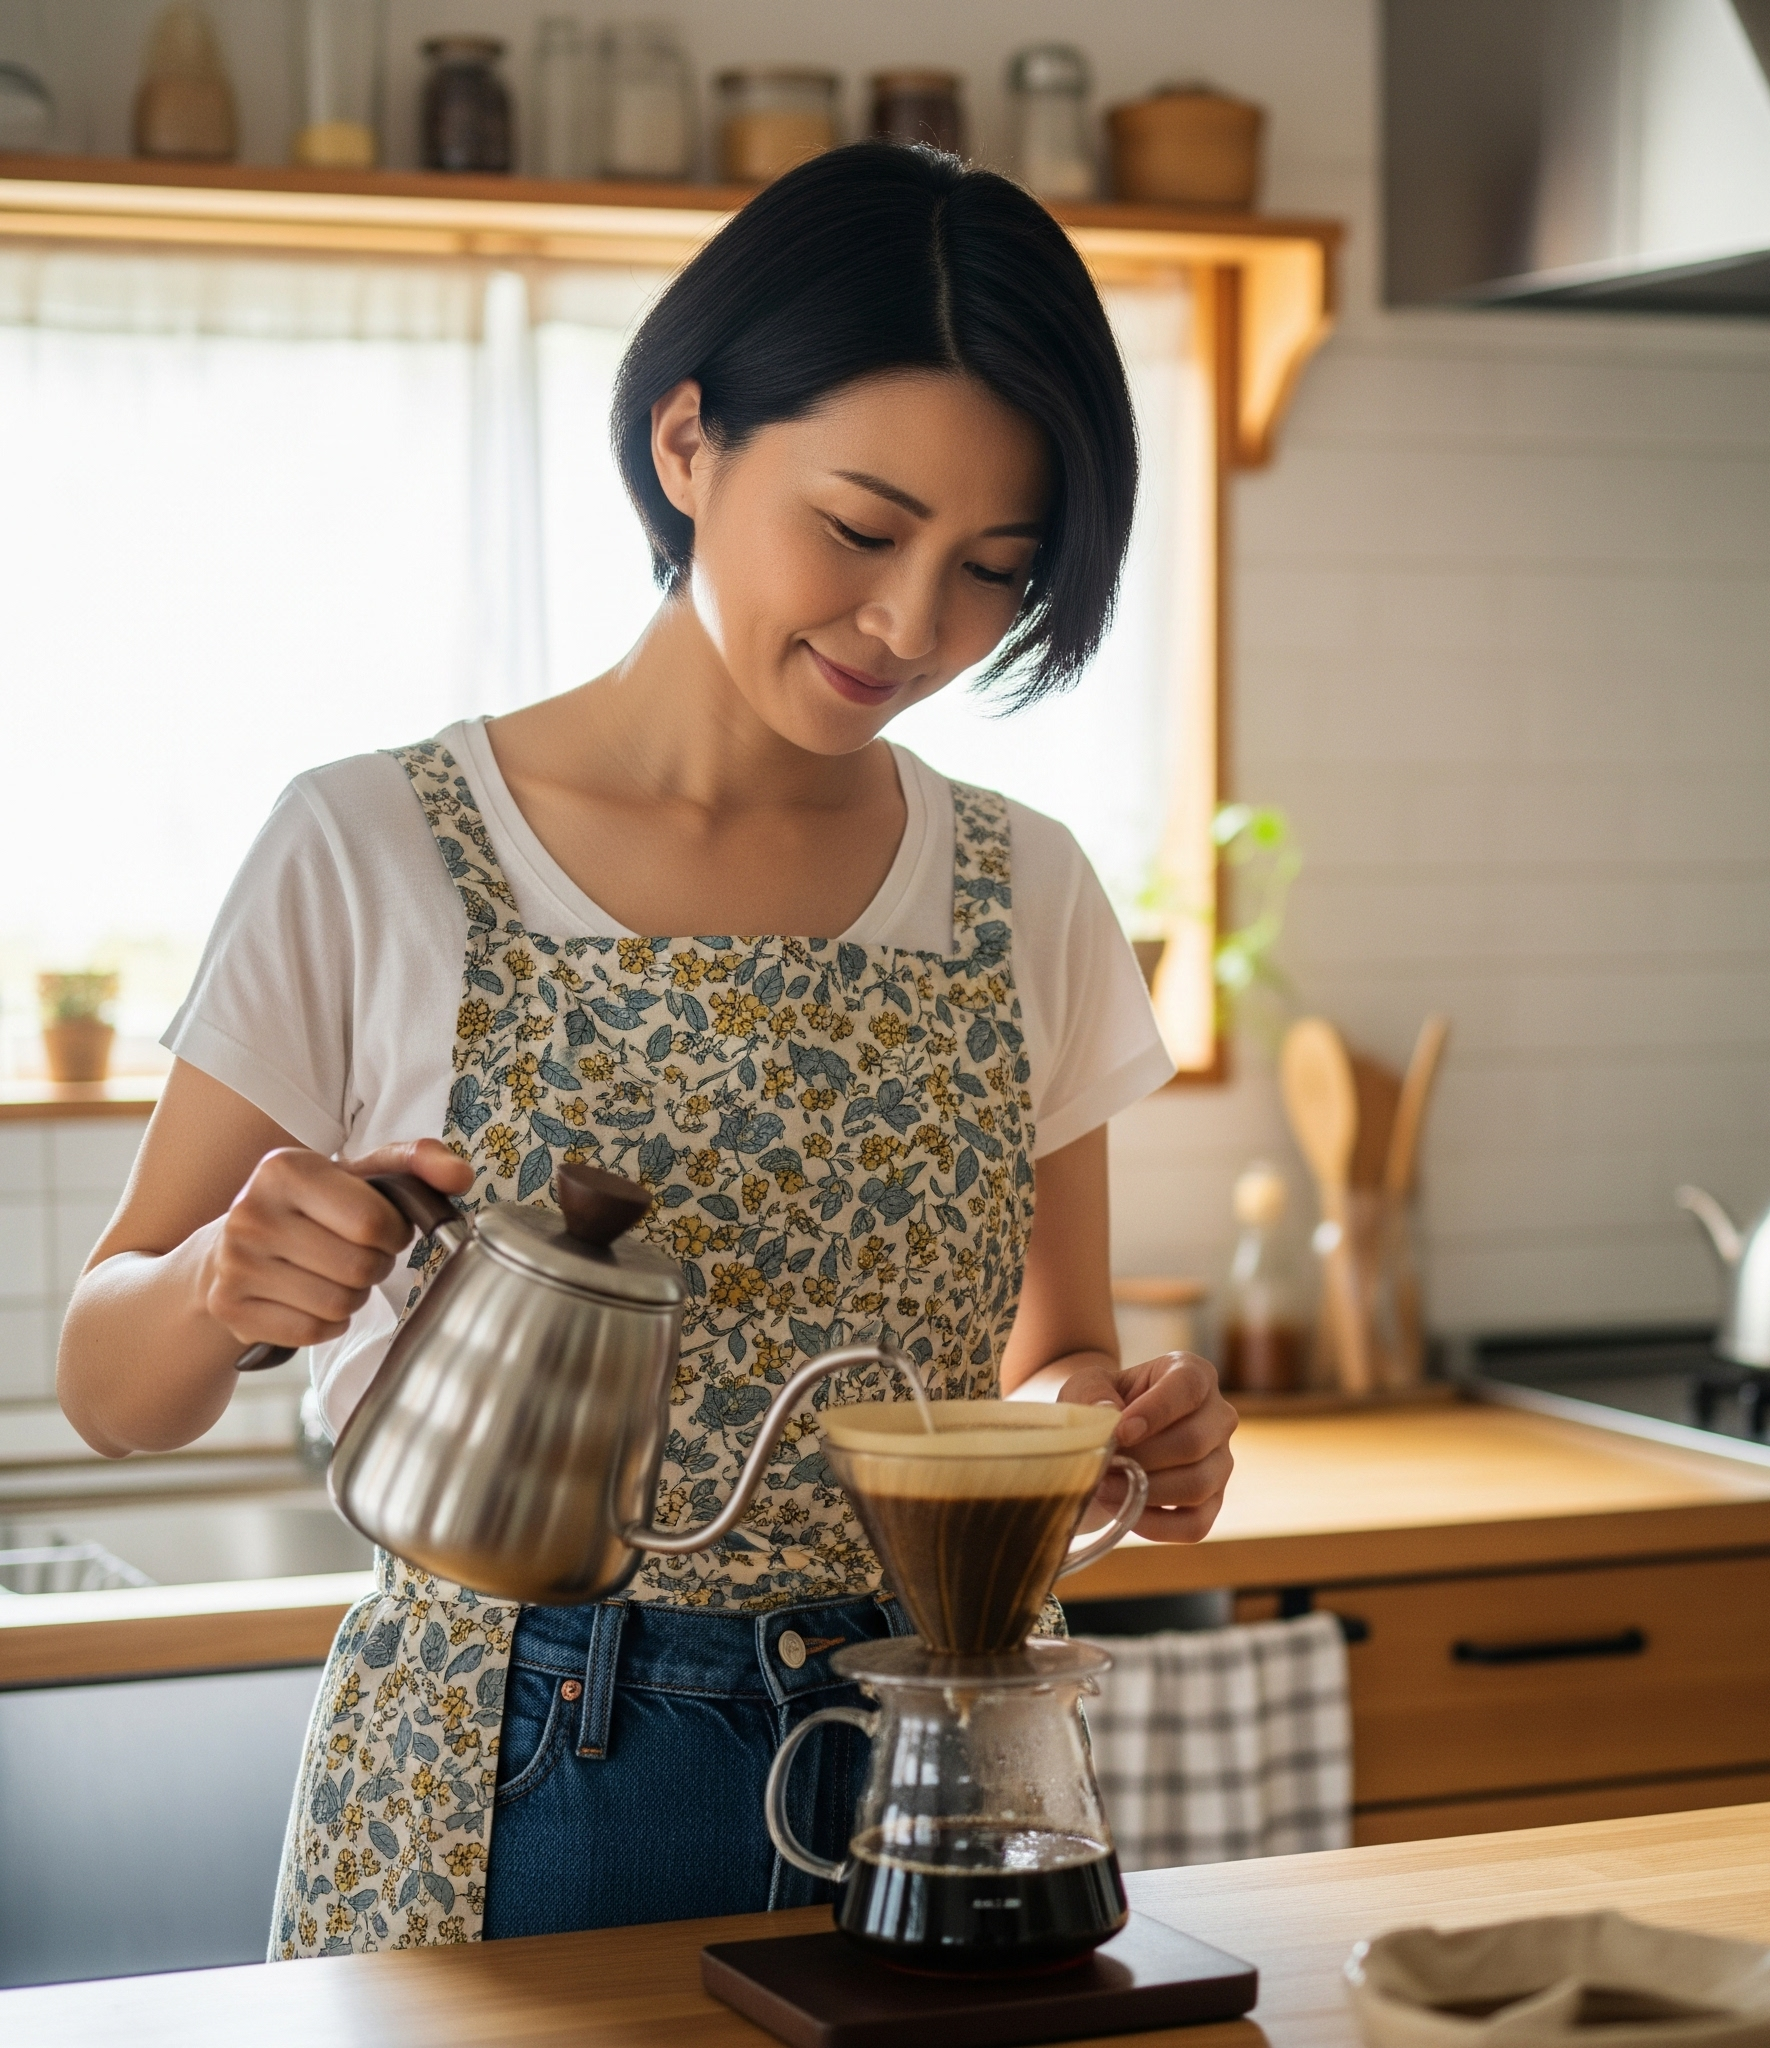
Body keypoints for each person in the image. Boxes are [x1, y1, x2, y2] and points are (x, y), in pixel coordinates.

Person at [56, 142, 1237, 1956]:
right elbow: (105, 1384)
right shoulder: (376, 846)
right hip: (501, 1768)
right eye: (859, 529)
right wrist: (229, 1276)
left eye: (995, 572)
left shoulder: (1028, 893)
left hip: (925, 1766)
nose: (912, 627)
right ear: (687, 441)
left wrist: (1116, 1435)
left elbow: (1051, 1358)